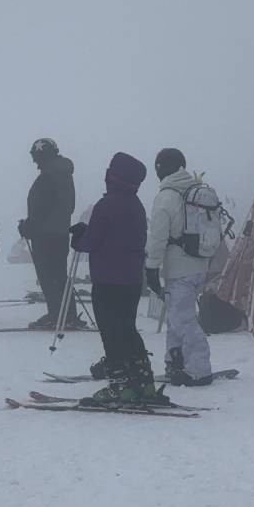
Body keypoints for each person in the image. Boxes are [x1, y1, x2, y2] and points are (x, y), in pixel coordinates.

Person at [69, 152, 167, 406]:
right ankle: (143, 381)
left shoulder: (107, 205)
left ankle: (120, 385)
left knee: (111, 332)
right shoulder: (136, 205)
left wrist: (79, 236)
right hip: (132, 280)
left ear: (113, 176)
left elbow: (92, 242)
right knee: (127, 329)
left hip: (107, 280)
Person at [145, 148, 215, 386]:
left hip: (179, 268)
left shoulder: (167, 196)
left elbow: (157, 237)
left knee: (182, 319)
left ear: (161, 168)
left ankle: (199, 369)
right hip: (199, 265)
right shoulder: (196, 191)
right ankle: (176, 361)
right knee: (177, 316)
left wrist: (151, 268)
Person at [17, 137, 81, 330]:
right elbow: (68, 206)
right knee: (58, 275)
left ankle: (58, 316)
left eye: (36, 157)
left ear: (42, 156)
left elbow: (42, 208)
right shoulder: (64, 176)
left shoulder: (48, 177)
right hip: (59, 233)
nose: (35, 162)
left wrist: (28, 226)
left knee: (49, 276)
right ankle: (65, 314)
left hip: (45, 235)